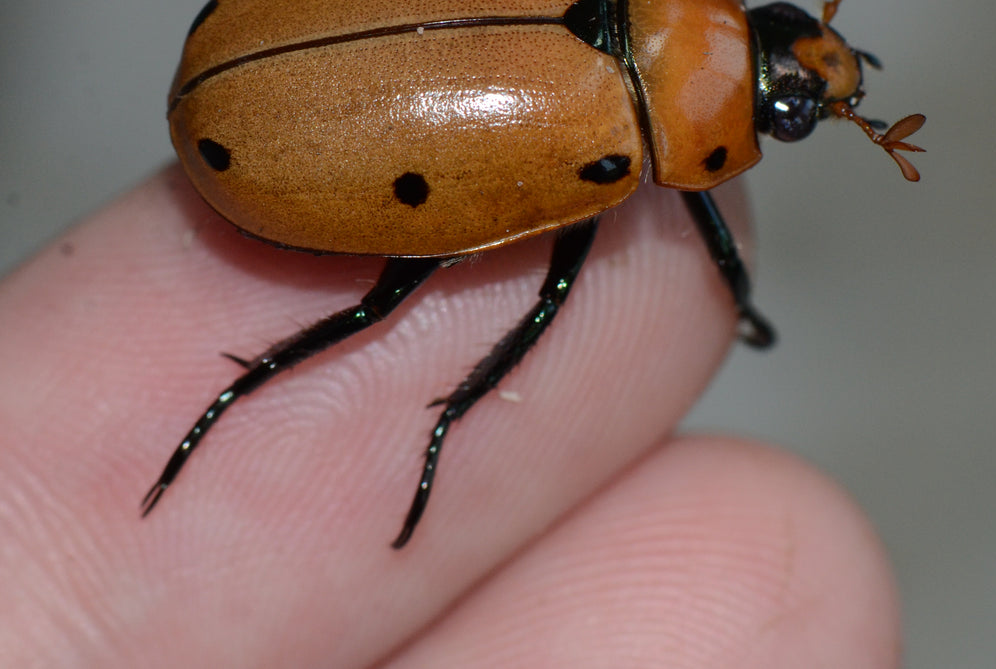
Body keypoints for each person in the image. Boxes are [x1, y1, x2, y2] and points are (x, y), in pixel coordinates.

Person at [0, 170, 899, 666]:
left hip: (294, 79)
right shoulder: (620, 149)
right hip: (305, 141)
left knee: (399, 310)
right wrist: (738, 298)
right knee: (458, 308)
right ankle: (266, 394)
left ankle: (257, 395)